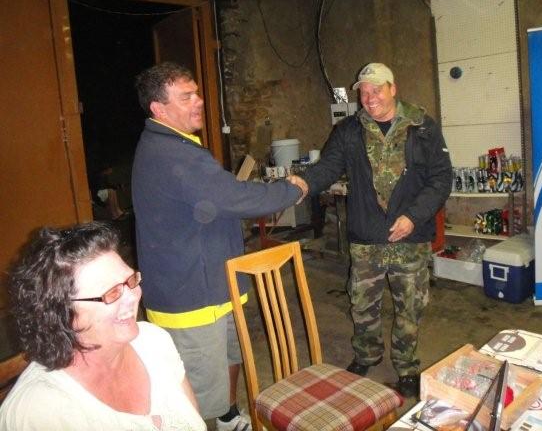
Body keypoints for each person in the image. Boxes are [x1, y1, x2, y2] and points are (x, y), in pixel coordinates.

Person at [132, 62, 303, 430]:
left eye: (196, 93)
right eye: (186, 97)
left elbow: (219, 196)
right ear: (159, 108)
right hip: (192, 297)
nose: (198, 101)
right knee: (195, 396)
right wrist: (291, 190)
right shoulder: (171, 155)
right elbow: (235, 197)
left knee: (231, 355)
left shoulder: (179, 145)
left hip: (216, 282)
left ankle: (227, 416)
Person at [289, 62, 452, 397]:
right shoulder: (349, 130)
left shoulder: (422, 126)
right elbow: (328, 167)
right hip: (367, 237)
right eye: (363, 91)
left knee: (409, 308)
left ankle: (406, 366)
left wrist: (413, 217)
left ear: (393, 88)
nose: (369, 97)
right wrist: (304, 183)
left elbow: (440, 179)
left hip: (410, 236)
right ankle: (367, 354)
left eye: (377, 89)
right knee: (362, 304)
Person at [0, 222, 206, 431]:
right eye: (111, 292)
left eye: (130, 280)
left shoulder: (154, 341)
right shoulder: (39, 413)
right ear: (62, 314)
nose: (133, 296)